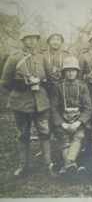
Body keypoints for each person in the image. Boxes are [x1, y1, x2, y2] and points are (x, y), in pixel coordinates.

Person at [1, 24, 56, 177]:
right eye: (29, 37)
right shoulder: (14, 58)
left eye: (35, 38)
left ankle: (48, 165)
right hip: (20, 104)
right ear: (23, 39)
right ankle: (23, 165)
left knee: (45, 133)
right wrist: (21, 85)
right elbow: (5, 82)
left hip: (41, 103)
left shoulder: (42, 57)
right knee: (23, 134)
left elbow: (51, 79)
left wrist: (42, 86)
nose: (32, 40)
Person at [50, 57, 92, 176]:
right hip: (62, 121)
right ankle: (71, 163)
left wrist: (77, 123)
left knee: (78, 136)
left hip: (78, 121)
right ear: (64, 72)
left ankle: (67, 164)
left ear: (77, 71)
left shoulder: (83, 86)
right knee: (64, 138)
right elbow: (52, 108)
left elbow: (88, 108)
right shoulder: (58, 86)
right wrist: (63, 124)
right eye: (68, 70)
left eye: (74, 70)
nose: (71, 72)